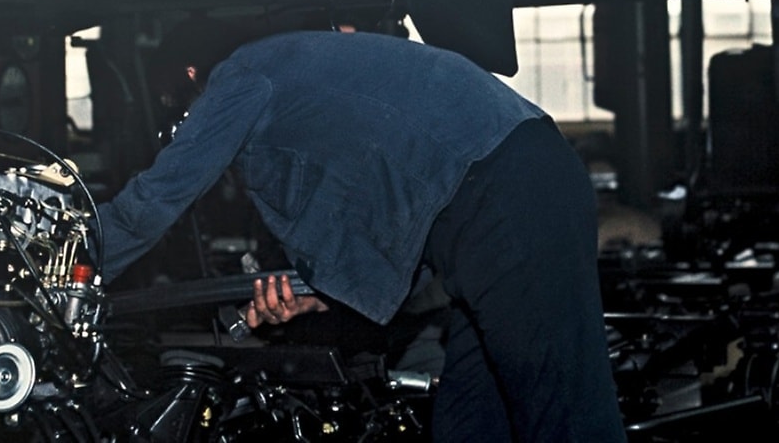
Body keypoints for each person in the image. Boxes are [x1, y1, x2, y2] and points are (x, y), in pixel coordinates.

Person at [98, 23, 627, 442]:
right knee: (470, 424)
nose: (183, 129)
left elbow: (154, 200)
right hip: (493, 198)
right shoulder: (296, 84)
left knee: (565, 419)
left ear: (191, 75)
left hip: (508, 191)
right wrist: (322, 297)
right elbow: (383, 205)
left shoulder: (242, 76)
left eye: (178, 115)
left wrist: (71, 267)